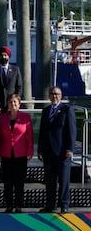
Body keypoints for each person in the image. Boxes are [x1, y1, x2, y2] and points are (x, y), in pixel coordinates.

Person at [38, 86, 76, 214]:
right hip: (48, 152)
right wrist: (40, 150)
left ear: (61, 96)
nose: (54, 96)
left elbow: (71, 131)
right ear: (49, 96)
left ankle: (64, 204)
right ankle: (50, 205)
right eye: (52, 94)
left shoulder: (67, 110)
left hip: (62, 152)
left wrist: (70, 149)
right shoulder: (46, 111)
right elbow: (42, 132)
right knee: (50, 181)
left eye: (57, 94)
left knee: (63, 180)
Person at [0, 93, 34, 213]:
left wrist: (29, 152)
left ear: (19, 104)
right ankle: (9, 205)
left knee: (19, 182)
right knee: (7, 182)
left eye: (15, 102)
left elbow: (30, 136)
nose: (12, 104)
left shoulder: (25, 117)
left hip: (20, 154)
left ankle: (18, 205)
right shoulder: (2, 118)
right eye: (10, 102)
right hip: (6, 154)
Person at [0, 46, 23, 117]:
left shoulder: (15, 70)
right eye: (1, 55)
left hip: (11, 106)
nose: (3, 57)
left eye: (5, 55)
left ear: (8, 56)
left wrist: (15, 102)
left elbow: (19, 87)